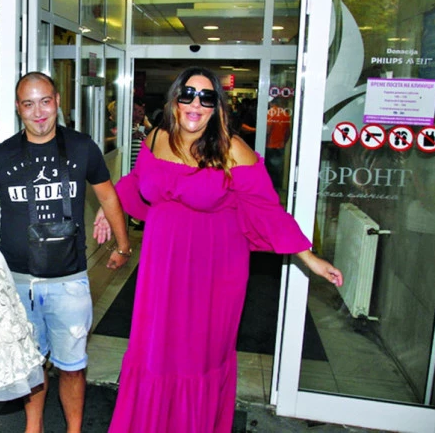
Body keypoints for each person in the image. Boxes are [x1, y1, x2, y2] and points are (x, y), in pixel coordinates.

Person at [94, 66, 343, 432]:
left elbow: (268, 210)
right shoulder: (157, 137)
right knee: (155, 349)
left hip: (214, 268)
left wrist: (309, 257)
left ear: (216, 107)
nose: (196, 104)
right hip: (162, 264)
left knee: (196, 355)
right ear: (175, 101)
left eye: (207, 98)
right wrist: (109, 205)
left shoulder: (232, 149)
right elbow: (137, 180)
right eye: (188, 95)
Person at [0, 71, 132, 433]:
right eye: (29, 104)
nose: (38, 113)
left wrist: (123, 245)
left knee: (72, 366)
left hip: (70, 282)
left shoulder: (82, 147)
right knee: (30, 365)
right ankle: (33, 427)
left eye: (45, 102)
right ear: (18, 109)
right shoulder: (1, 155)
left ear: (57, 103)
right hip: (19, 283)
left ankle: (74, 430)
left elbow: (108, 196)